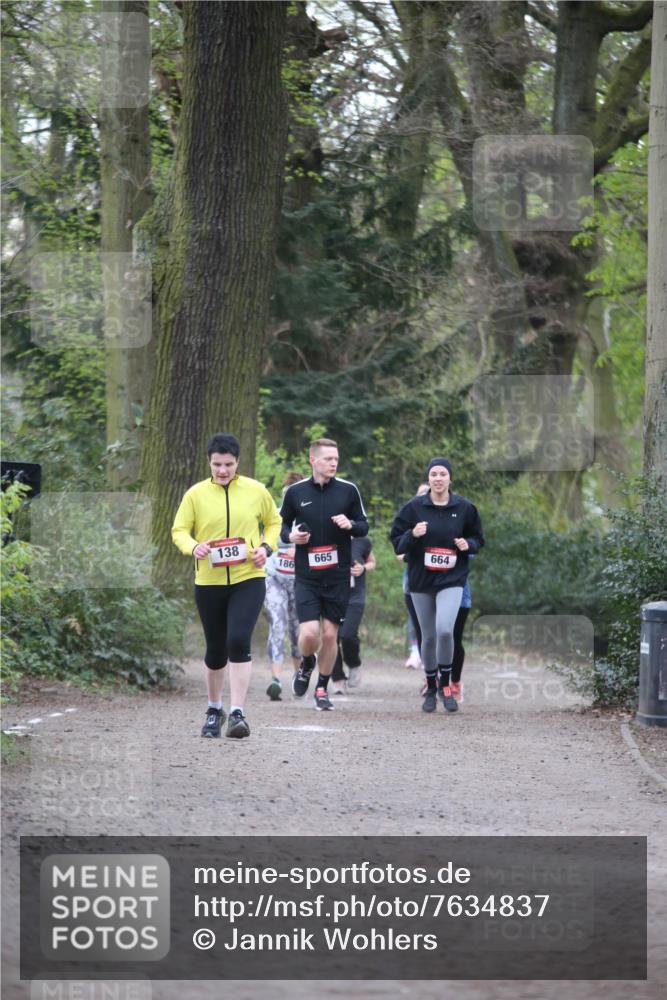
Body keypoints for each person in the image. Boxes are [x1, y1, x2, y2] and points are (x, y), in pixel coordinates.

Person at [172, 433, 282, 739]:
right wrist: (193, 547)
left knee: (237, 641)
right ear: (209, 462)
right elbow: (179, 530)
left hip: (249, 577)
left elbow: (274, 522)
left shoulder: (256, 491)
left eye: (229, 464)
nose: (223, 470)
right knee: (216, 649)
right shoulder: (195, 494)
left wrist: (265, 548)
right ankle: (213, 709)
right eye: (217, 464)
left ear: (238, 463)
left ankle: (237, 713)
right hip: (209, 581)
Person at [279, 438, 368, 711]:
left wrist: (350, 524)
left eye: (336, 460)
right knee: (308, 634)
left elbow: (363, 527)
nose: (333, 464)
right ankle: (307, 663)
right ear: (313, 460)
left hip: (338, 576)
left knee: (330, 636)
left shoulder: (348, 491)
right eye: (328, 459)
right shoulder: (295, 492)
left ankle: (322, 688)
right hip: (306, 576)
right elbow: (282, 527)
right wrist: (291, 536)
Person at [390, 457, 483, 714]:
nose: (438, 478)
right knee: (428, 637)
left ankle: (446, 685)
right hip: (421, 580)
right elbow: (396, 541)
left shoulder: (464, 508)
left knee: (445, 631)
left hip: (452, 579)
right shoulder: (414, 508)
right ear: (428, 478)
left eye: (443, 474)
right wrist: (412, 535)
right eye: (434, 474)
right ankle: (431, 687)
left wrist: (469, 545)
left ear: (450, 478)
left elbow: (478, 537)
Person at [263, 471, 303, 701]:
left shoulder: (311, 519)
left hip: (300, 582)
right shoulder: (275, 517)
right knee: (277, 624)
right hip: (274, 578)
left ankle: (299, 677)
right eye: (287, 495)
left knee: (297, 632)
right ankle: (275, 680)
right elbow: (264, 540)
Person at [330, 535, 375, 693]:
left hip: (355, 596)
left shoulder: (362, 540)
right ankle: (337, 679)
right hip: (332, 595)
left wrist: (363, 568)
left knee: (347, 634)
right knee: (331, 637)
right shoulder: (328, 536)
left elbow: (372, 562)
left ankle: (354, 664)